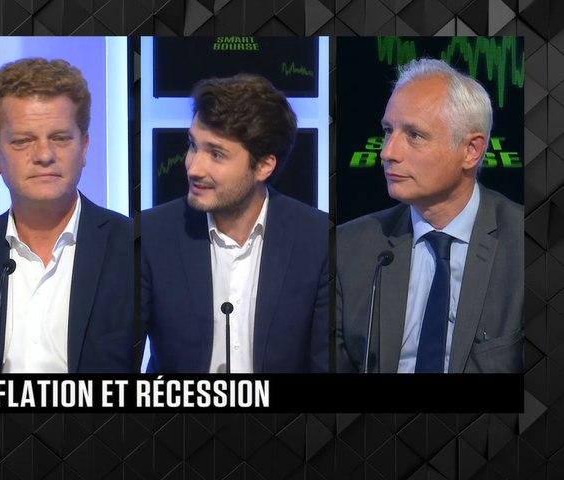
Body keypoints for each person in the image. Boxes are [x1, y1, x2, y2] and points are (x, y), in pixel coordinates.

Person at [0, 58, 134, 373]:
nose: (45, 155)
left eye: (60, 138)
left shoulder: (135, 248)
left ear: (84, 147)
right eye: (23, 141)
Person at [336, 58, 523, 374]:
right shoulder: (348, 246)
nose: (387, 152)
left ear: (471, 151)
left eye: (414, 135)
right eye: (388, 131)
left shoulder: (524, 242)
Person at [141, 74, 329, 373]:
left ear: (264, 166)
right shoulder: (149, 235)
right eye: (193, 146)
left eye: (216, 154)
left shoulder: (317, 239)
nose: (194, 167)